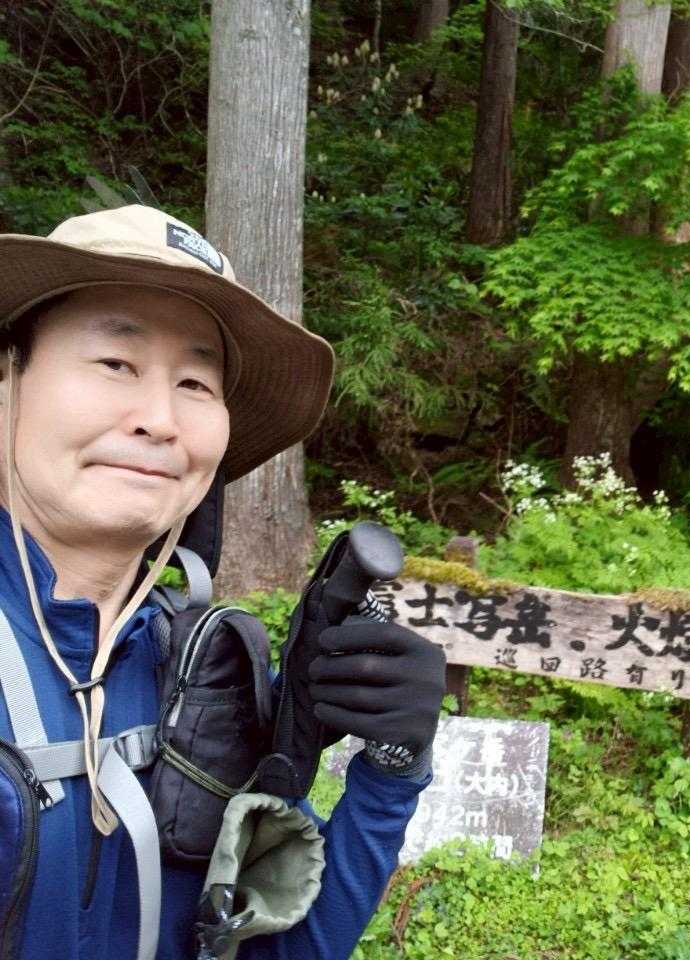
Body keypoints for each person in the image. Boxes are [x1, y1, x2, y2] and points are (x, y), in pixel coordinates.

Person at [0, 204, 446, 959]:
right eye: (115, 363)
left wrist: (390, 769)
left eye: (196, 383)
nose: (159, 419)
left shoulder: (196, 672)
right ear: (8, 380)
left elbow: (272, 950)